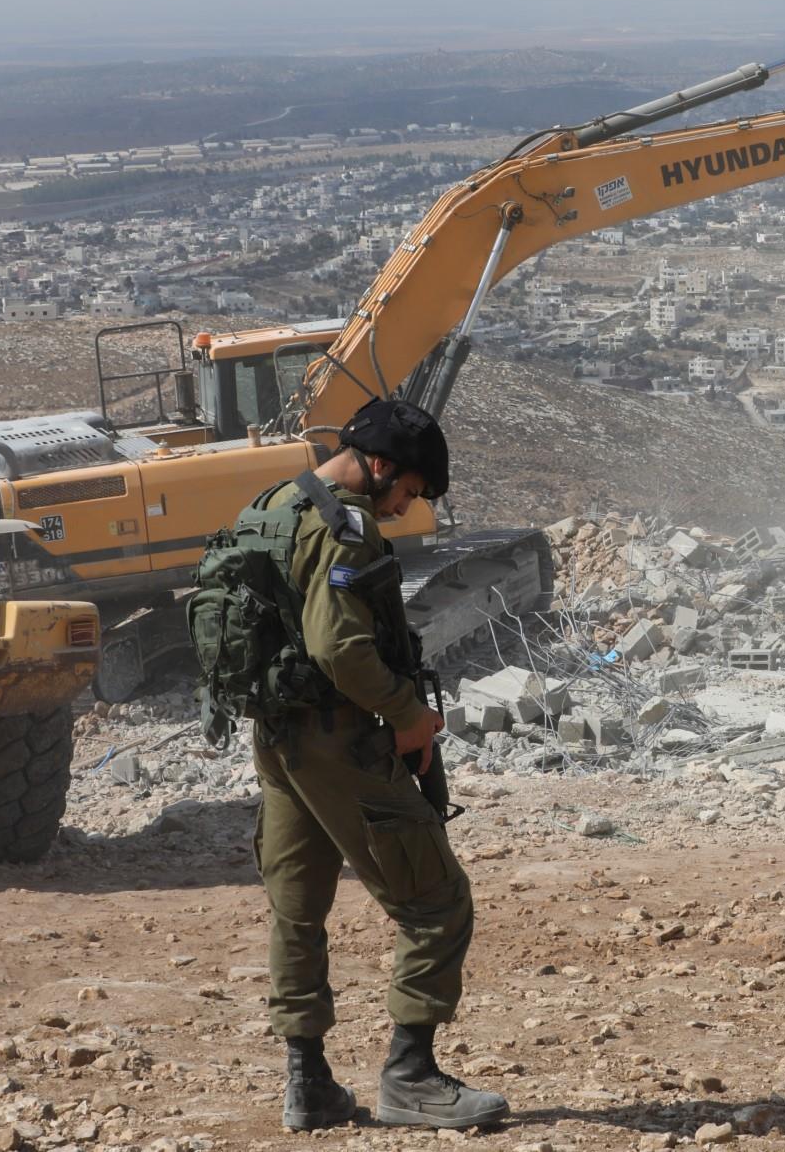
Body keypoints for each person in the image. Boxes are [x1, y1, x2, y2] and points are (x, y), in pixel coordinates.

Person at [246, 398, 508, 1131]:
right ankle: (411, 1076)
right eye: (412, 491)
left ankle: (308, 1082)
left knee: (296, 909)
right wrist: (406, 713)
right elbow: (339, 648)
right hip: (339, 737)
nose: (406, 506)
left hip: (278, 737)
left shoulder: (274, 504)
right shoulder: (347, 527)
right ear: (383, 465)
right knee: (436, 899)